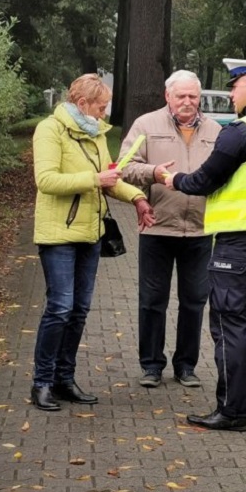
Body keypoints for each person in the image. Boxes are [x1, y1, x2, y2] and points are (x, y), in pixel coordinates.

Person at [163, 58, 246, 432]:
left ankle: (233, 410)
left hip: (239, 240)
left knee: (229, 319)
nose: (232, 94)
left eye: (235, 86)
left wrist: (174, 179)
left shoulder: (241, 132)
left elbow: (205, 180)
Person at [31, 74, 155, 412]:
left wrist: (138, 198)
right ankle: (41, 382)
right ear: (82, 103)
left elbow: (110, 179)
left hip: (91, 233)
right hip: (58, 234)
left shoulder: (97, 133)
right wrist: (93, 179)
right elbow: (46, 180)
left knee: (80, 309)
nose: (104, 114)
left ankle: (64, 379)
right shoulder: (50, 130)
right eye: (101, 107)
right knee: (60, 307)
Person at [119, 70, 222, 389]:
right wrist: (153, 173)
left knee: (194, 301)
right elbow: (123, 167)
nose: (188, 102)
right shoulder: (145, 125)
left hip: (201, 231)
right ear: (168, 97)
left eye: (193, 96)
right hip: (157, 228)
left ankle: (186, 366)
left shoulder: (216, 130)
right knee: (152, 300)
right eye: (182, 96)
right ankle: (151, 366)